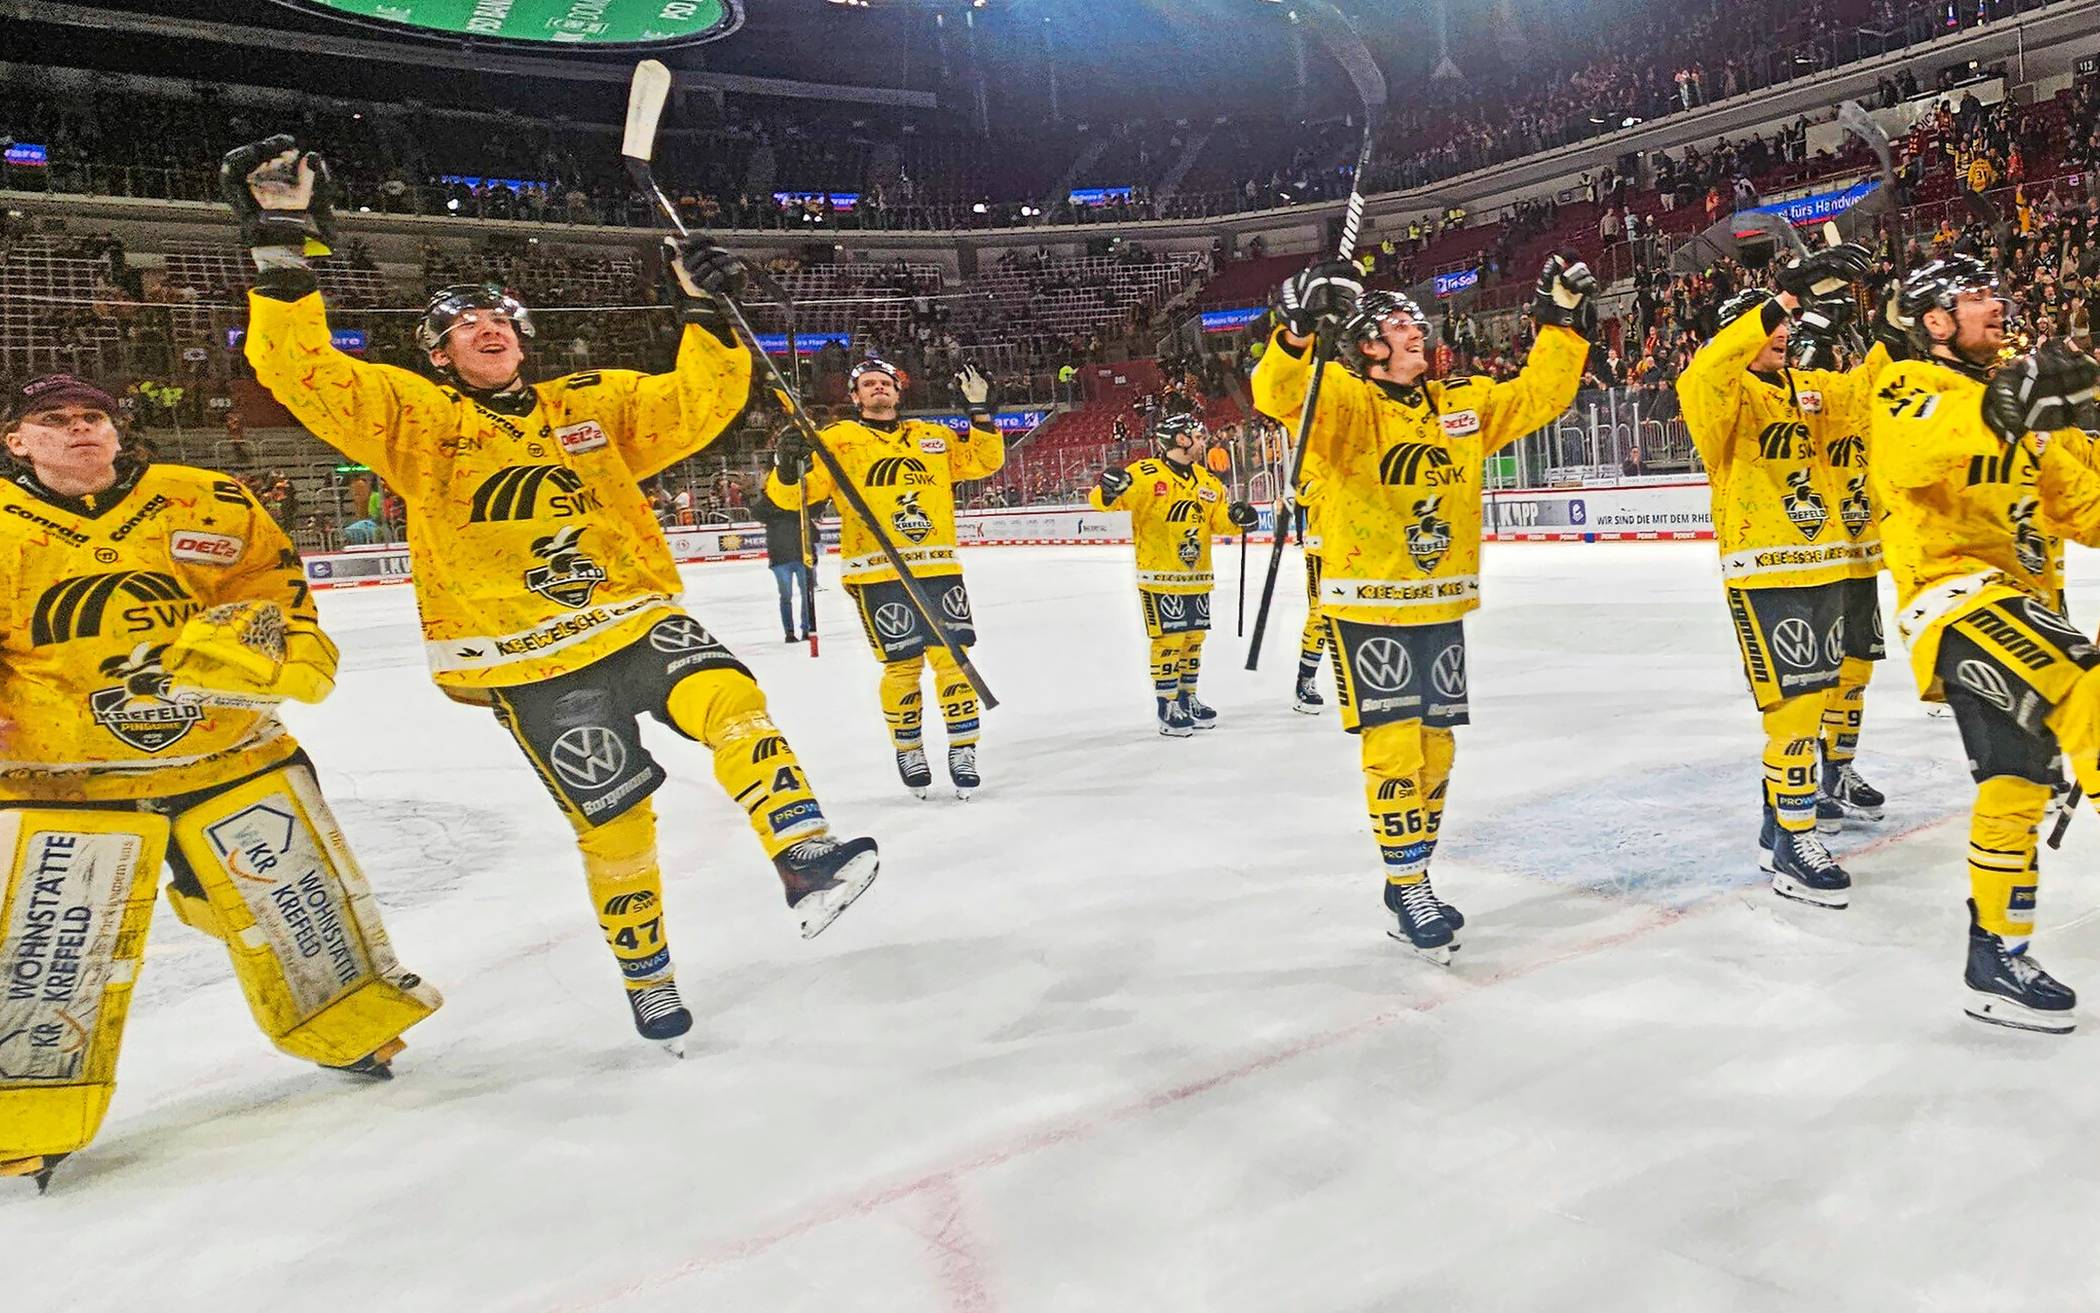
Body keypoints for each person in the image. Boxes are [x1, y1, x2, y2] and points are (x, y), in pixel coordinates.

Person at [227, 135, 876, 1055]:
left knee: (733, 699)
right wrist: (281, 249)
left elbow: (696, 404)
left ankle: (804, 856)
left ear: (525, 340)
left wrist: (708, 314)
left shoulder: (589, 404)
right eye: (464, 323)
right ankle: (648, 974)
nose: (489, 327)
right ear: (439, 353)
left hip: (632, 611)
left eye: (502, 317)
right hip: (521, 651)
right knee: (616, 821)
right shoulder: (416, 421)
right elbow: (304, 372)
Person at [0, 374, 440, 1192]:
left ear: (117, 428)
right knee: (49, 952)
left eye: (93, 415)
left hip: (230, 752)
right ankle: (26, 1114)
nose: (79, 431)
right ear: (17, 441)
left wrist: (288, 655)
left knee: (296, 905)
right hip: (64, 777)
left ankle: (349, 1025)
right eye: (53, 422)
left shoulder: (203, 499)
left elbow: (274, 597)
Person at [1250, 253, 1594, 962]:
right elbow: (1281, 392)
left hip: (1439, 605)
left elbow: (1539, 395)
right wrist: (1295, 329)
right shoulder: (1344, 400)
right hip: (1366, 604)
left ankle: (1412, 876)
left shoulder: (1457, 406)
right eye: (1400, 323)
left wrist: (1558, 319)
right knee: (1396, 747)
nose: (1418, 329)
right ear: (1368, 343)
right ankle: (1408, 884)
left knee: (1438, 750)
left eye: (1416, 320)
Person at [1871, 254, 2100, 1032]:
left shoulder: (2026, 407)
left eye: (1995, 292)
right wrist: (2010, 403)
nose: (1995, 304)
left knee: (2016, 782)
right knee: (2087, 687)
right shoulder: (1909, 385)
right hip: (1953, 598)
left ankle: (1995, 955)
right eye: (1974, 297)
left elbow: (2084, 506)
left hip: (2024, 606)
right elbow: (1909, 454)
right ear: (1935, 321)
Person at [1674, 243, 1889, 912]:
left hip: (1824, 562)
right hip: (1763, 571)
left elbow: (1862, 396)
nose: (1781, 336)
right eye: (1768, 328)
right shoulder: (1721, 395)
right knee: (1793, 709)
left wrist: (1897, 327)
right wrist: (1786, 296)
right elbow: (1703, 369)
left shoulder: (1805, 389)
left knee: (1822, 693)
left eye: (1783, 330)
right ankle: (1796, 841)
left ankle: (1781, 822)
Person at [767, 361, 1003, 799]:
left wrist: (981, 414)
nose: (878, 390)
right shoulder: (837, 438)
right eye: (868, 385)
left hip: (937, 566)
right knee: (902, 666)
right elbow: (791, 496)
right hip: (877, 570)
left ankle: (963, 748)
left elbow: (984, 461)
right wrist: (788, 463)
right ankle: (909, 748)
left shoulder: (934, 437)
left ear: (899, 392)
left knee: (955, 660)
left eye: (885, 384)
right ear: (855, 396)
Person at [1088, 412, 1256, 734]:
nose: (1204, 441)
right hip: (1160, 575)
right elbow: (1105, 502)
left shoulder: (1208, 482)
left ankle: (1187, 696)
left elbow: (1219, 522)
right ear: (1181, 439)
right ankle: (1167, 704)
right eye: (1199, 436)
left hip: (1197, 576)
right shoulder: (1146, 474)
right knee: (1169, 640)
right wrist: (1108, 490)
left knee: (1194, 639)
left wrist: (1239, 518)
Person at [754, 467, 816, 643]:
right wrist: (767, 493)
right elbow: (757, 512)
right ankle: (789, 632)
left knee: (806, 595)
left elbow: (811, 520)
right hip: (781, 559)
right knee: (786, 596)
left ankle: (806, 629)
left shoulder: (798, 505)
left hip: (800, 556)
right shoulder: (768, 507)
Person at [1290, 475, 1330, 714]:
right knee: (1320, 618)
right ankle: (1305, 680)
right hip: (1323, 550)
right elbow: (1303, 492)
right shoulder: (1314, 454)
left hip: (1360, 547)